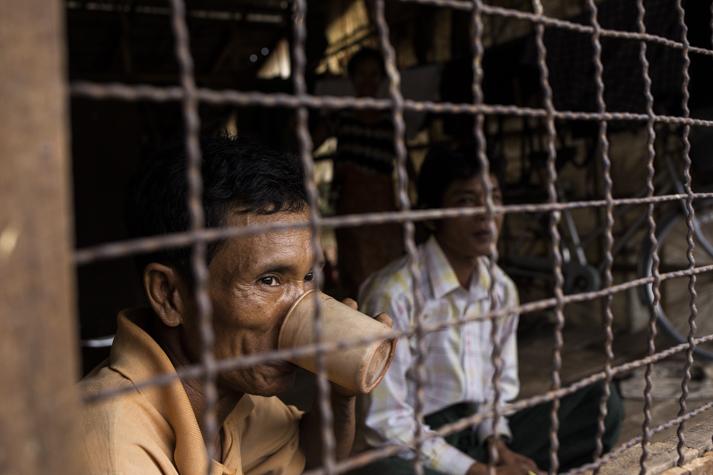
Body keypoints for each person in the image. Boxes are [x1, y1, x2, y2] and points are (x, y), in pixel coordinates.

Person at [79, 137, 375, 474]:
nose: (302, 309)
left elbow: (309, 453)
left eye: (308, 276)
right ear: (169, 295)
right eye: (269, 280)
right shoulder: (113, 444)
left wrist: (339, 393)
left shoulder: (229, 393)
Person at [355, 146, 623, 474]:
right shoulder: (393, 293)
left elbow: (497, 389)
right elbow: (385, 422)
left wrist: (498, 446)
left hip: (479, 431)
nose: (487, 213)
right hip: (418, 437)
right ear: (429, 213)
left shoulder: (500, 288)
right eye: (466, 201)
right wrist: (477, 471)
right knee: (383, 470)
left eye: (494, 196)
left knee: (602, 404)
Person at [325, 47, 413, 298]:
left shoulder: (391, 121)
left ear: (382, 80)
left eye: (374, 75)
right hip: (351, 207)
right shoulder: (342, 117)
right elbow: (306, 141)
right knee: (358, 277)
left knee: (390, 273)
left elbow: (406, 163)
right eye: (361, 75)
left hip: (384, 208)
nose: (368, 82)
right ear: (352, 79)